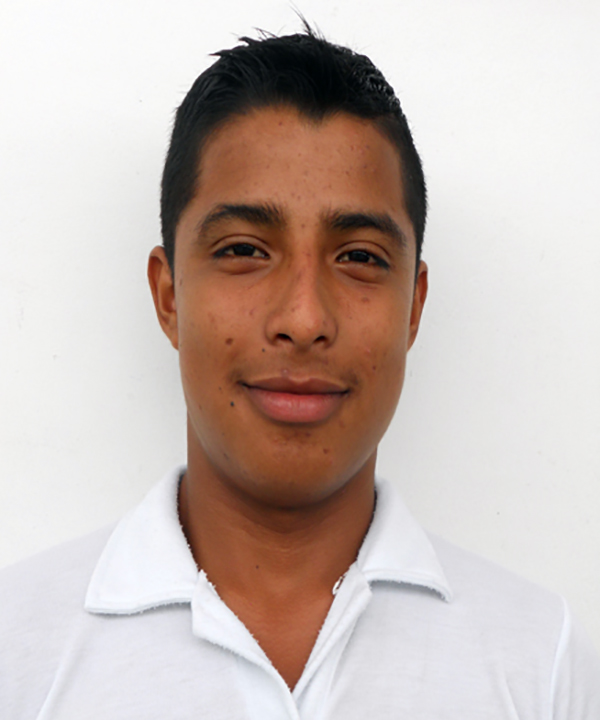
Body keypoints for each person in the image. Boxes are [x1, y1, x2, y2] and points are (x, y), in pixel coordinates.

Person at [1, 27, 599, 720]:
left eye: (360, 257)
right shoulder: (17, 650)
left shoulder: (538, 663)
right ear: (169, 297)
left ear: (413, 308)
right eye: (245, 249)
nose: (304, 317)